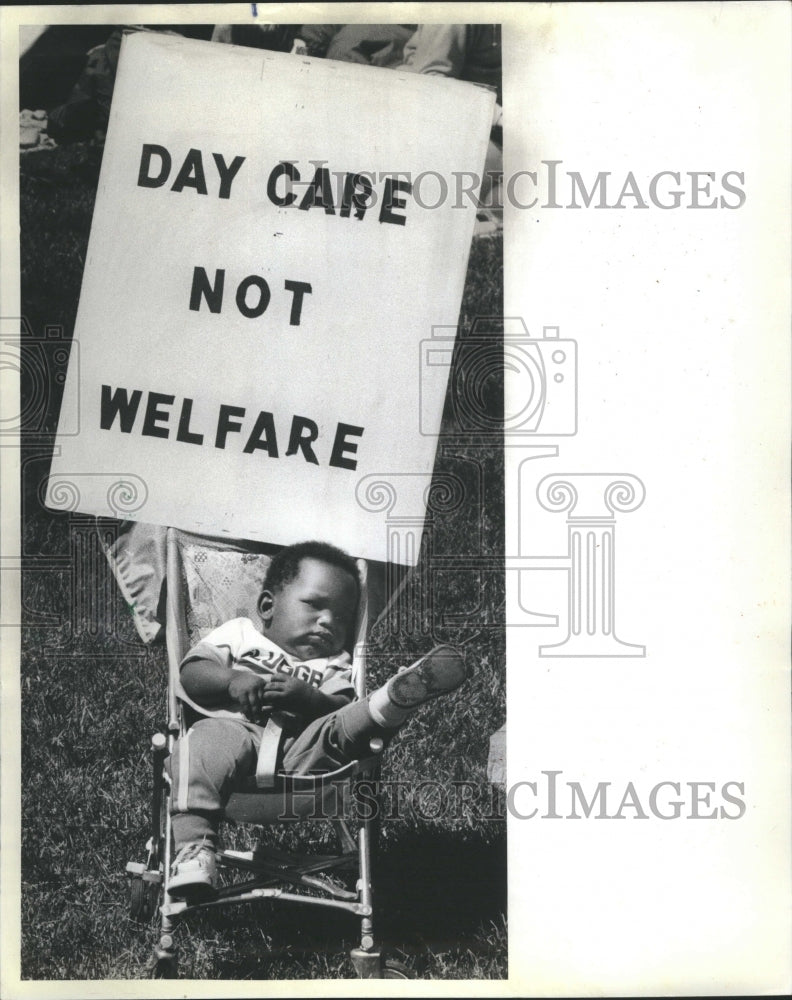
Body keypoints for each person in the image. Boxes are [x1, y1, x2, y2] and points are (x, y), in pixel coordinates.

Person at [168, 539, 468, 898]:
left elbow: (338, 707)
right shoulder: (240, 634)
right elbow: (192, 673)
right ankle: (194, 852)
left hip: (305, 761)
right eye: (313, 605)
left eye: (341, 617)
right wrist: (232, 680)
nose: (327, 622)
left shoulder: (333, 664)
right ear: (267, 606)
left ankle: (390, 700)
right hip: (233, 743)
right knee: (202, 743)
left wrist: (309, 698)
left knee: (341, 726)